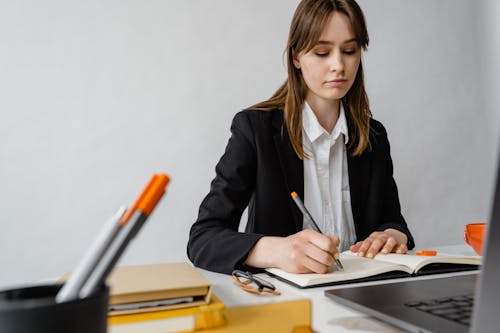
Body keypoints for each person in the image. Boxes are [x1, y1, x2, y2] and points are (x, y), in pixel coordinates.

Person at [187, 0, 415, 275]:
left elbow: (391, 220)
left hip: (364, 292)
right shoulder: (255, 129)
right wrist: (278, 251)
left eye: (350, 51)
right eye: (322, 52)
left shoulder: (373, 136)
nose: (338, 65)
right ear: (296, 57)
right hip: (285, 302)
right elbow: (203, 238)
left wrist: (392, 235)